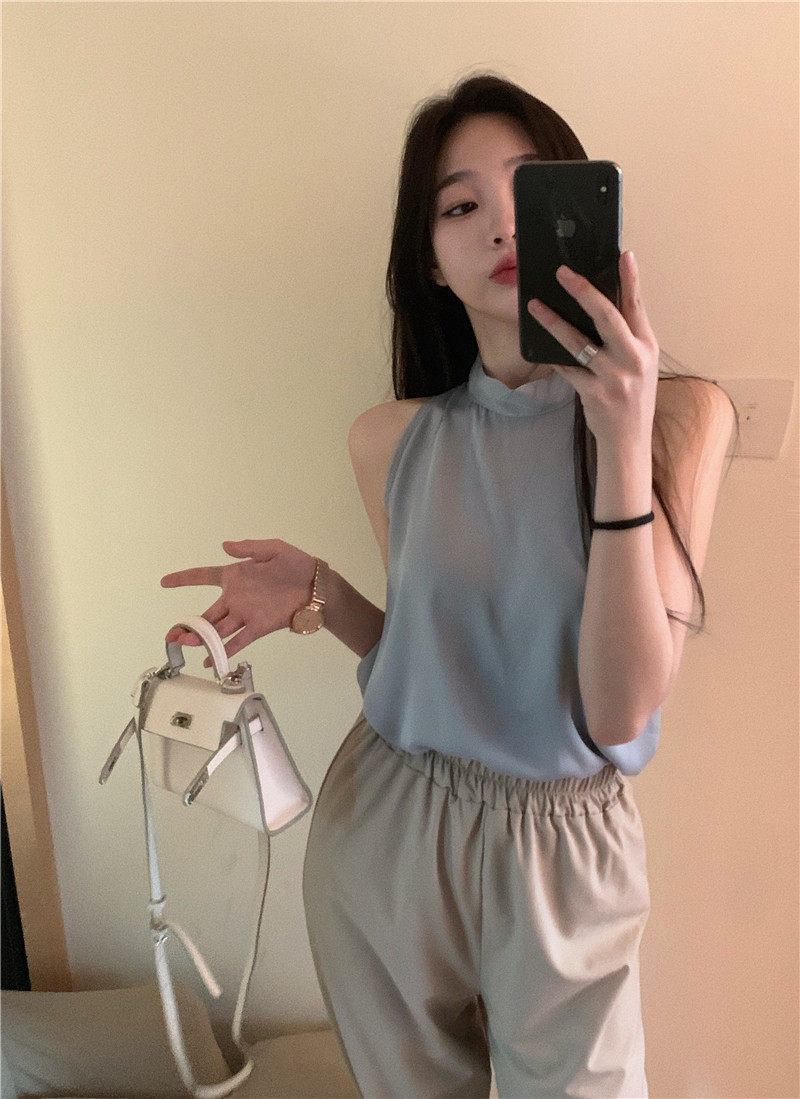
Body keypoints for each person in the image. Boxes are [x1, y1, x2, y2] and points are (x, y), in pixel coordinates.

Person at [160, 72, 737, 1099]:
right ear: (428, 259)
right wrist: (324, 592)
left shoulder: (681, 418)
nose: (501, 222)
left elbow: (617, 709)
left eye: (528, 186)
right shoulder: (392, 439)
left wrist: (619, 435)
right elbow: (434, 660)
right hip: (388, 823)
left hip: (564, 854)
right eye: (460, 206)